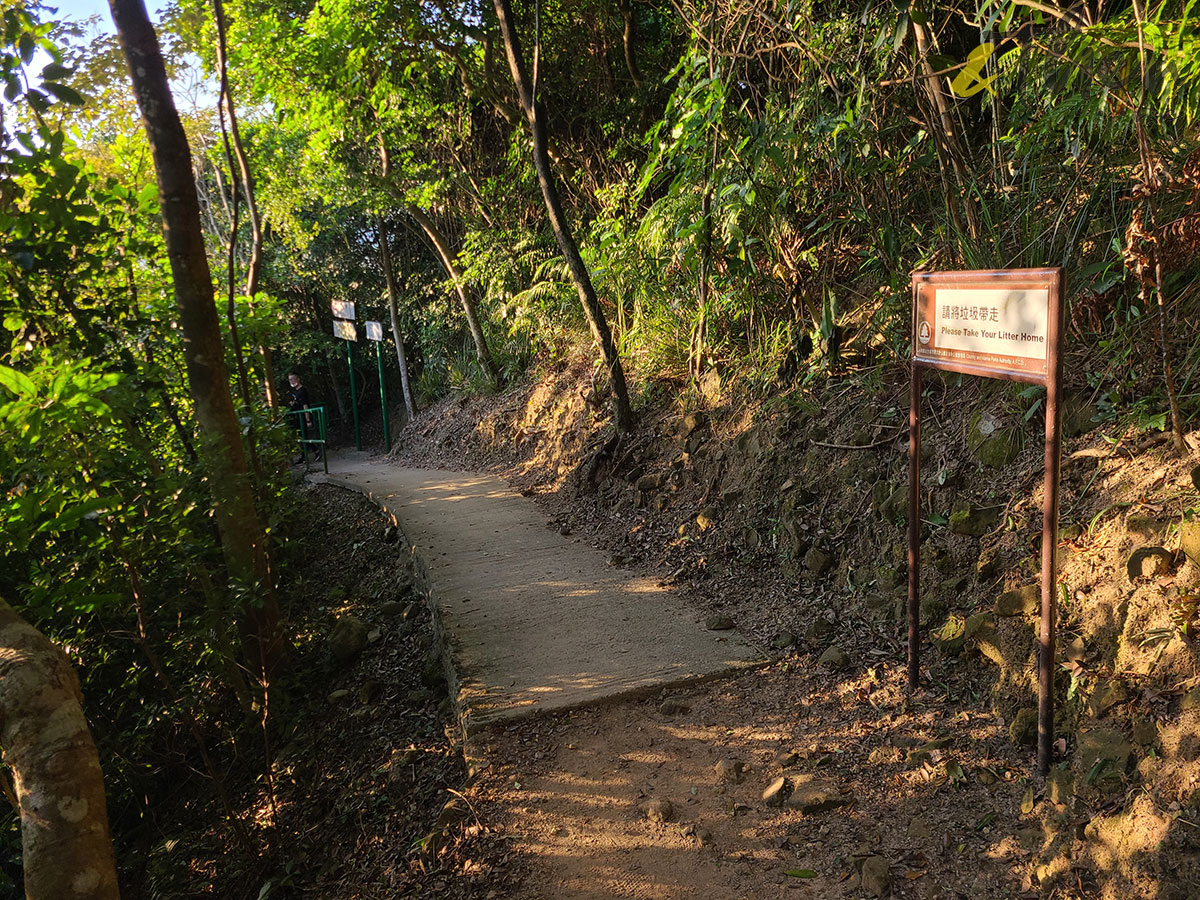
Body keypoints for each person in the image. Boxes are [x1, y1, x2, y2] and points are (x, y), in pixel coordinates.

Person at [287, 373, 320, 462]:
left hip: (303, 417)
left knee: (303, 437)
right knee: (301, 437)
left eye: (293, 379)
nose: (292, 381)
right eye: (290, 380)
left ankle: (316, 450)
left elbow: (305, 405)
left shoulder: (302, 391)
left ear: (298, 379)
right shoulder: (296, 392)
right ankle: (304, 456)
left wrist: (307, 419)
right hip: (298, 418)